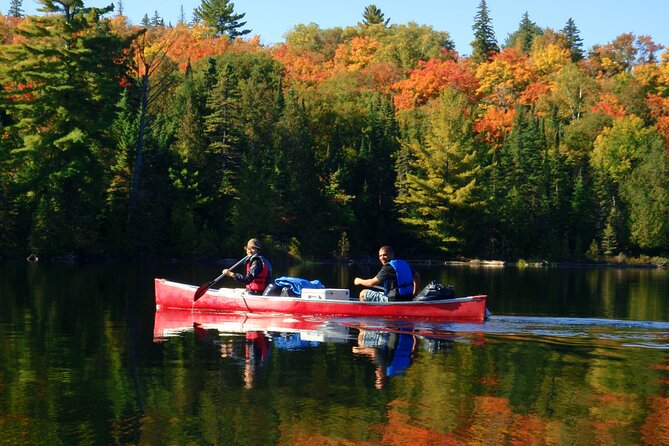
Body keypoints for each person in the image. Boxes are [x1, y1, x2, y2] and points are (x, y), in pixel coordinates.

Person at [353, 245, 420, 302]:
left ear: (392, 255)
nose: (382, 258)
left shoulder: (388, 267)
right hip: (407, 298)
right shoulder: (403, 263)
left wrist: (359, 281)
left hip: (393, 300)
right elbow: (417, 276)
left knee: (363, 293)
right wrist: (414, 293)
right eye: (380, 256)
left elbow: (371, 283)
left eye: (385, 255)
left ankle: (369, 314)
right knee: (380, 293)